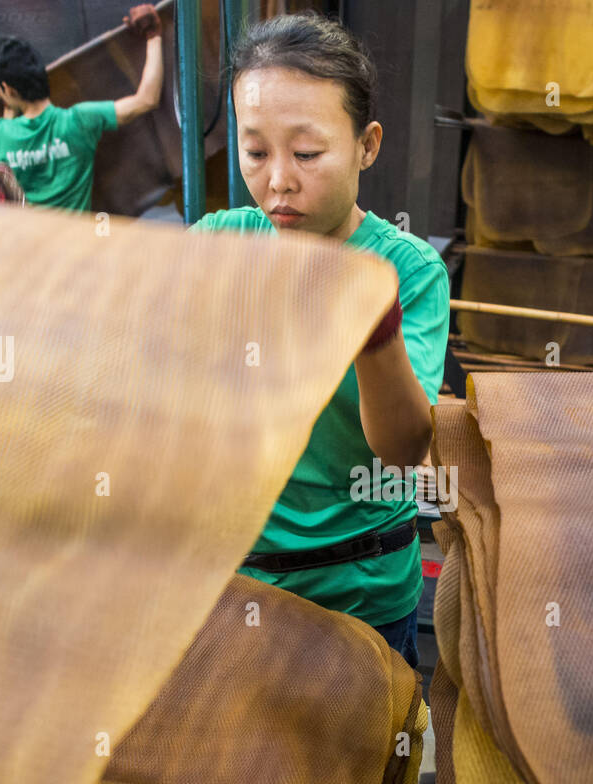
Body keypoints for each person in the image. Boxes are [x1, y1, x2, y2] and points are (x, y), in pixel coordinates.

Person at [193, 13, 450, 671]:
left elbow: (399, 449)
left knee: (360, 764)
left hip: (355, 597)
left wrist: (376, 331)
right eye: (255, 152)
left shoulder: (408, 271)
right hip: (237, 588)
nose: (279, 179)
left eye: (307, 154)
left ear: (368, 144)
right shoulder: (222, 244)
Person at [0, 5, 164, 212]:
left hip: (27, 241)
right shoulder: (80, 120)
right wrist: (153, 35)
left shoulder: (0, 132)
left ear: (7, 89)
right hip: (75, 240)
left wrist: (11, 101)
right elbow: (146, 100)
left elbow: (0, 179)